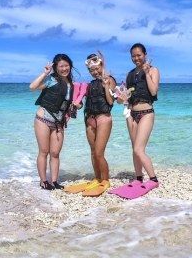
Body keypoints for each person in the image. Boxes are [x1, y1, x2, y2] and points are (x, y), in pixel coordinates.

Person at [65, 52, 116, 197]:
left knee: (99, 153)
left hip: (104, 118)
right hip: (89, 119)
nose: (94, 72)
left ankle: (105, 180)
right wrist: (76, 104)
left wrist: (106, 86)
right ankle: (97, 177)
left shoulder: (110, 80)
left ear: (101, 65)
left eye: (96, 68)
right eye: (91, 70)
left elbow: (111, 102)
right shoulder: (89, 85)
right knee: (93, 152)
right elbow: (82, 104)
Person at [117, 43, 160, 191]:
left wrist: (147, 73)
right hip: (131, 113)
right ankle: (139, 178)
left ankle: (153, 179)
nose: (136, 58)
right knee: (134, 148)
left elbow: (153, 91)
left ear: (145, 54)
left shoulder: (153, 70)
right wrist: (122, 98)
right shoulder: (130, 74)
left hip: (146, 112)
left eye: (139, 55)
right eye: (133, 56)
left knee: (139, 149)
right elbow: (125, 97)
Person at [29, 54, 75, 190]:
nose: (64, 68)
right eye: (61, 66)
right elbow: (32, 87)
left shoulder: (71, 85)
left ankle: (54, 181)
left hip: (58, 123)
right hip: (43, 118)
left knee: (55, 153)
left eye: (66, 65)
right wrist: (45, 73)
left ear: (70, 66)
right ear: (56, 67)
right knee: (44, 151)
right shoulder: (51, 80)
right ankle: (43, 181)